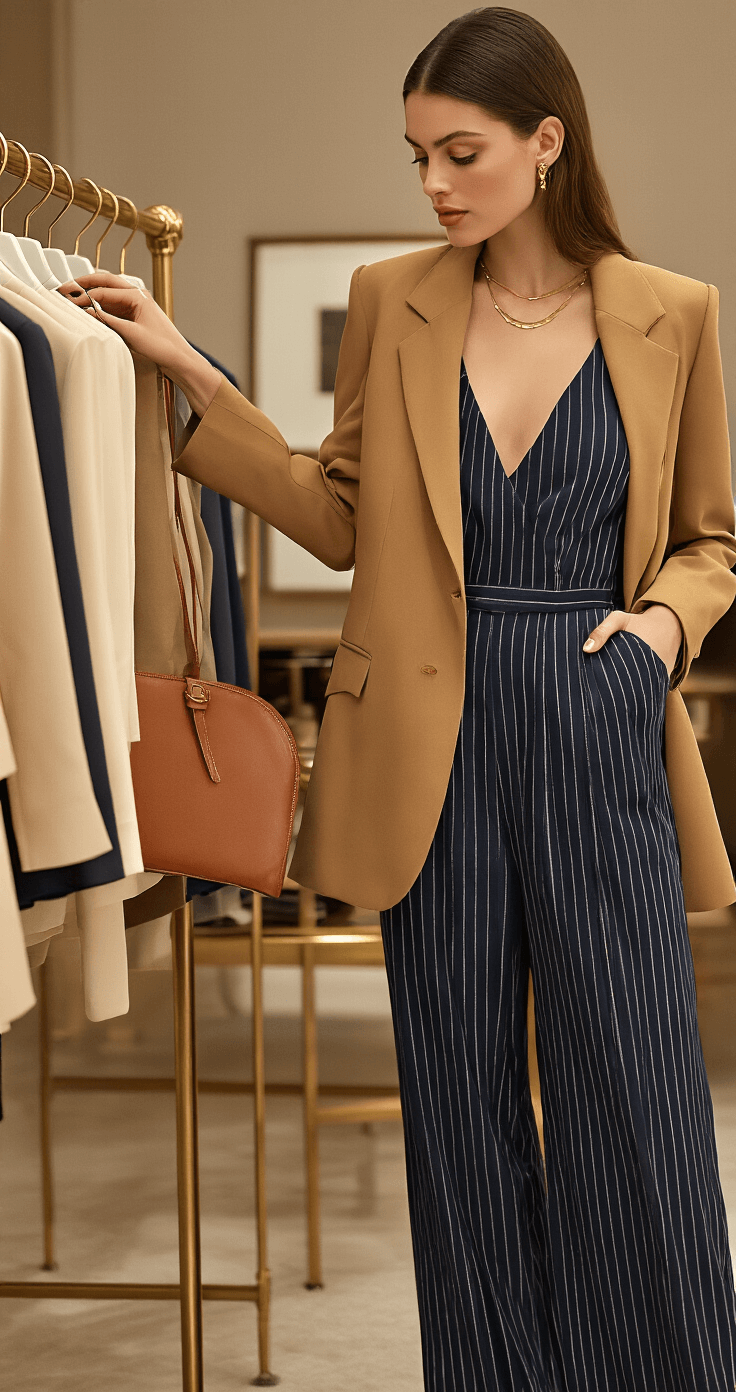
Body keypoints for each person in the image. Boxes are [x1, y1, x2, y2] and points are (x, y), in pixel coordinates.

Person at [61, 8, 736, 1388]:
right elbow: (340, 510)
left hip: (597, 704)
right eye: (417, 153)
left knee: (641, 1091)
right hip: (430, 731)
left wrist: (665, 628)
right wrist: (189, 371)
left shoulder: (672, 312)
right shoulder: (396, 297)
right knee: (457, 1095)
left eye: (462, 151)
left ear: (546, 145)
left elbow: (713, 536)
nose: (433, 181)